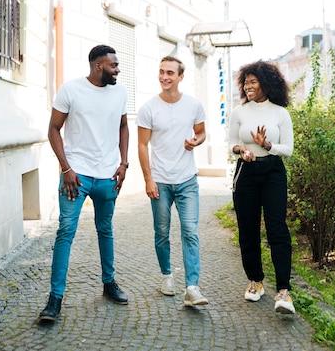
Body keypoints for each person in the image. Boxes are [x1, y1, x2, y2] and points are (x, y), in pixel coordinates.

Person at [39, 44, 130, 321]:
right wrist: (66, 167)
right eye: (113, 65)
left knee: (106, 230)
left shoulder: (120, 91)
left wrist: (124, 162)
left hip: (107, 178)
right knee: (65, 233)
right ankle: (55, 300)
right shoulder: (71, 90)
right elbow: (53, 129)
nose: (118, 69)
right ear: (98, 66)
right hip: (75, 178)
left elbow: (123, 126)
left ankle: (109, 283)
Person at [136, 55, 209, 307]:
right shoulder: (148, 108)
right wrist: (148, 179)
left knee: (190, 231)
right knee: (162, 233)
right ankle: (167, 276)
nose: (164, 77)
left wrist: (195, 142)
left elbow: (201, 133)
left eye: (170, 72)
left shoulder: (194, 105)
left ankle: (192, 287)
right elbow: (142, 145)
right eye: (161, 72)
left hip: (187, 179)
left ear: (180, 77)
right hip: (161, 181)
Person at [227, 60, 295, 314]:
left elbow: (287, 149)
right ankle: (255, 281)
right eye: (246, 82)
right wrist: (241, 150)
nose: (248, 86)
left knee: (277, 228)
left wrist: (267, 146)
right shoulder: (239, 112)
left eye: (253, 81)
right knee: (248, 229)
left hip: (273, 172)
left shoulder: (280, 113)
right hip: (246, 172)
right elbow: (231, 143)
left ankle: (284, 291)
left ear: (267, 83)